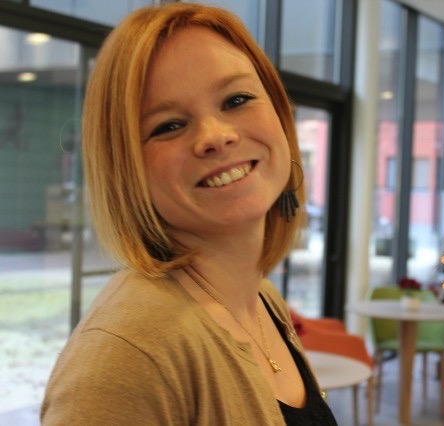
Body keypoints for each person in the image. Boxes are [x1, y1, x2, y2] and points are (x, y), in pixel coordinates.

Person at [41, 3, 337, 425]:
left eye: (237, 99)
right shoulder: (126, 358)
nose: (216, 137)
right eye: (169, 125)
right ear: (124, 169)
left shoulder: (261, 298)